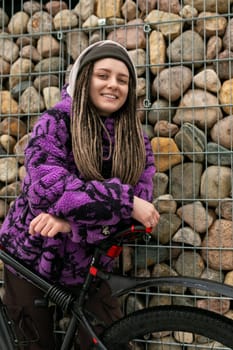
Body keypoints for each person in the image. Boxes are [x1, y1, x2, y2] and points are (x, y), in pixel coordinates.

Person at [0, 40, 160, 349]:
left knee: (108, 341)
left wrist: (72, 223)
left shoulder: (137, 143)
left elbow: (139, 216)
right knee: (33, 343)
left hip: (89, 264)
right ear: (83, 79)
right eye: (103, 75)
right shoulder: (55, 123)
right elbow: (47, 189)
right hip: (30, 258)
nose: (113, 84)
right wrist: (123, 201)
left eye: (122, 79)